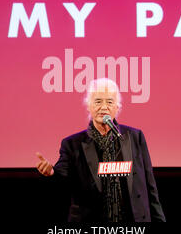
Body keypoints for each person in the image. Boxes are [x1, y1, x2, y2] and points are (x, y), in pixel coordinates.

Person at [36, 78, 166, 222]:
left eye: (109, 102)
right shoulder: (72, 144)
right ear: (89, 106)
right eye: (98, 101)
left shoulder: (135, 137)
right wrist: (52, 172)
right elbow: (62, 176)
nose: (104, 107)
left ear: (117, 107)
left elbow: (150, 187)